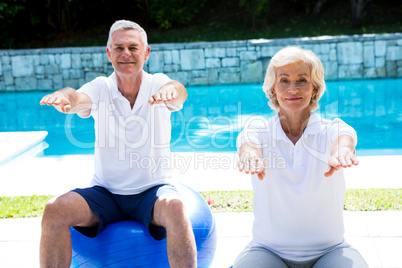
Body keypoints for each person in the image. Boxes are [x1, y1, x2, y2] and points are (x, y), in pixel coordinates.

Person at [39, 20, 196, 268]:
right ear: (108, 52)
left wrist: (172, 91)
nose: (126, 53)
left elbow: (177, 90)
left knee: (176, 208)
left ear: (146, 52)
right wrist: (65, 97)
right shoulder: (100, 87)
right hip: (106, 194)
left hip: (152, 192)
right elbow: (77, 97)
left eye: (133, 47)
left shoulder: (158, 84)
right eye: (119, 47)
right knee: (54, 210)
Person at [234, 46, 368, 268]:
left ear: (314, 88)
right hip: (268, 251)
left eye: (302, 80)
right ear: (273, 89)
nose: (292, 89)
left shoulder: (332, 129)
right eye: (284, 80)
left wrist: (342, 152)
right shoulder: (257, 132)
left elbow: (344, 138)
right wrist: (250, 156)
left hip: (330, 250)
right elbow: (248, 145)